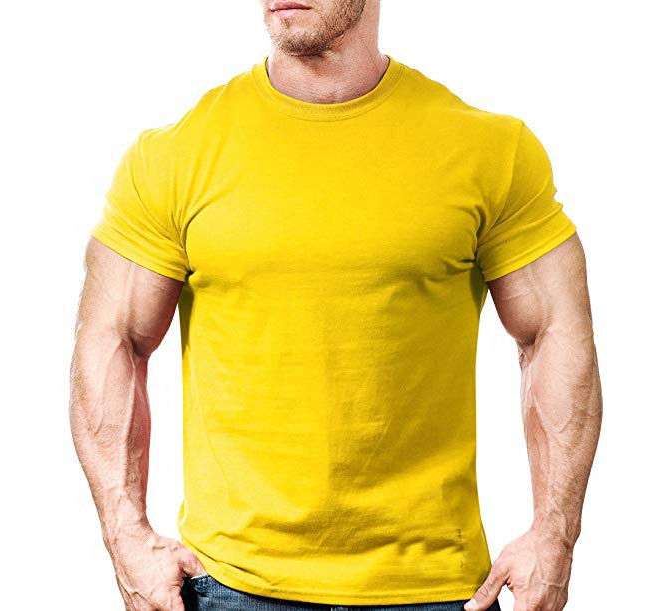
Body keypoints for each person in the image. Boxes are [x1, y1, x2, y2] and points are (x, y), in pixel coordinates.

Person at [69, 1, 603, 610]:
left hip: (432, 588)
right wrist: (125, 536)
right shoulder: (174, 156)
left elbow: (555, 329)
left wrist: (554, 536)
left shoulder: (489, 149)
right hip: (232, 584)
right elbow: (112, 336)